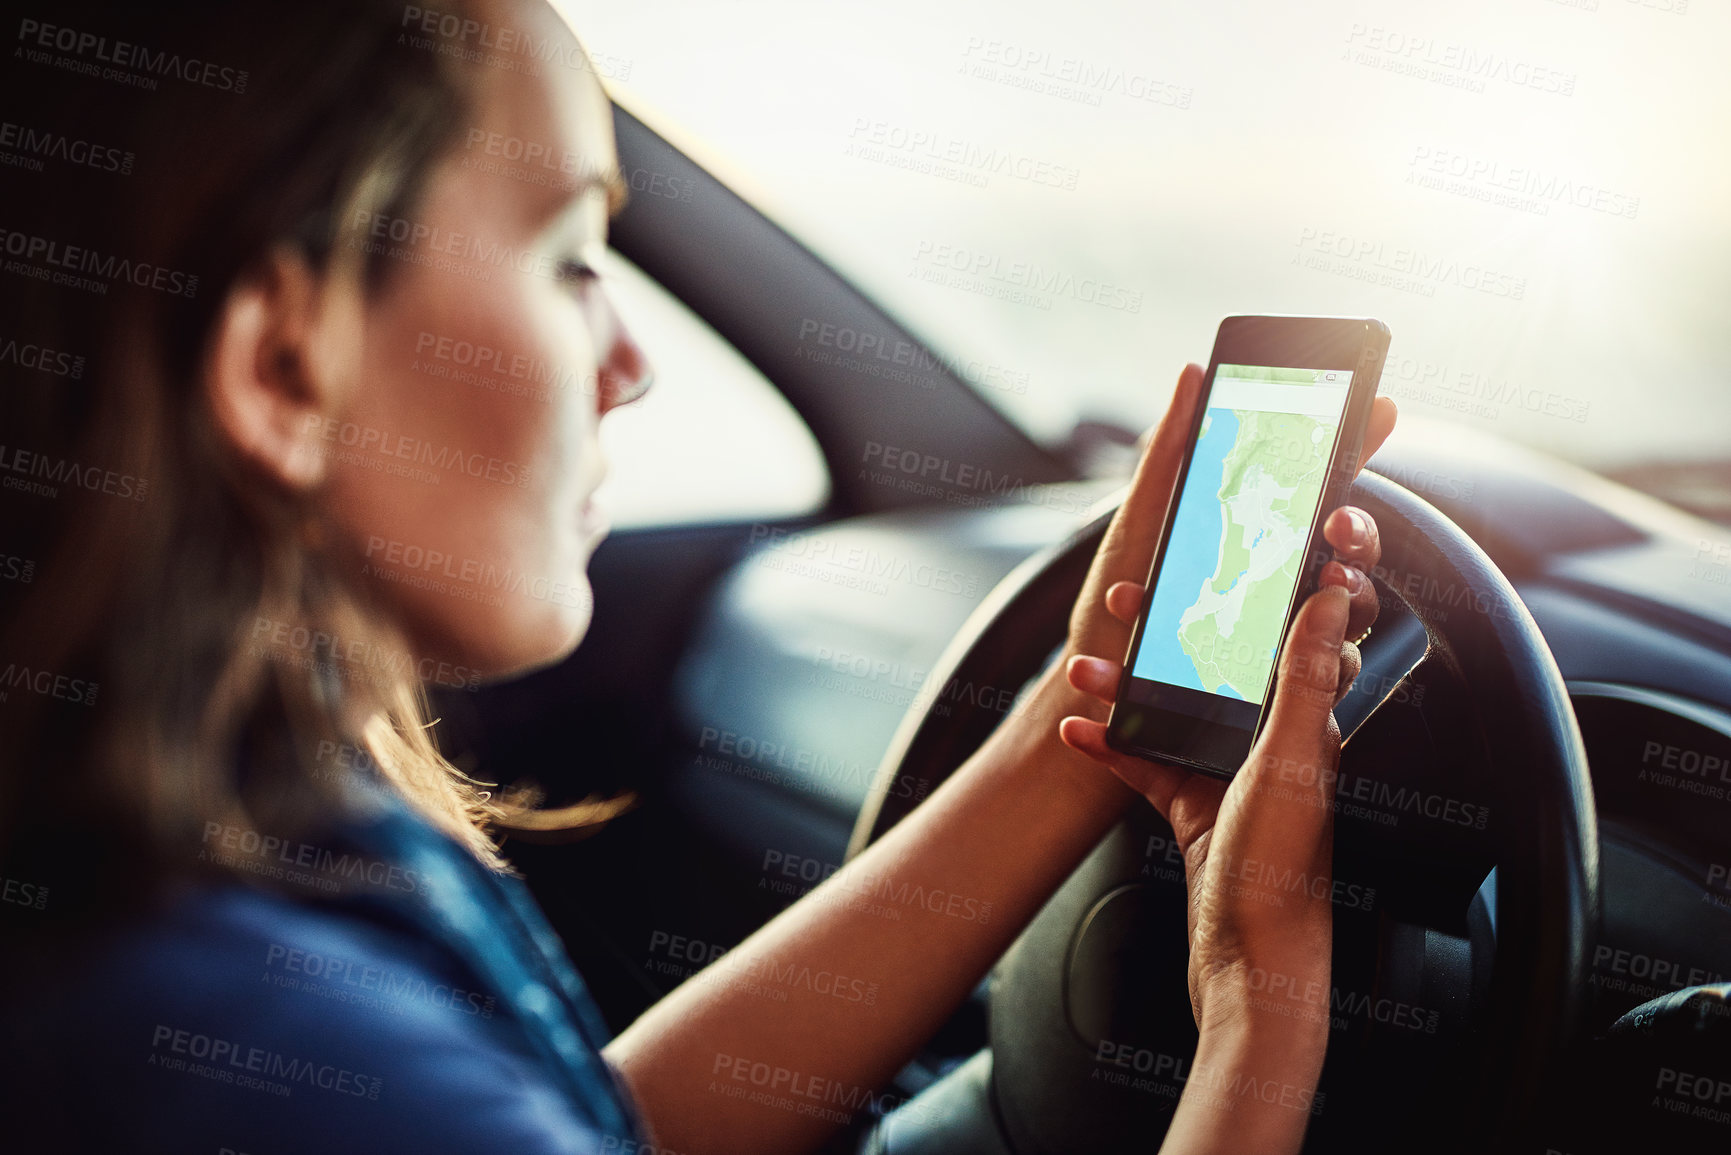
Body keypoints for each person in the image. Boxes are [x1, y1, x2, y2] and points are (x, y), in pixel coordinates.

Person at [0, 1, 1396, 1151]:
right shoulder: (250, 1041)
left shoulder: (197, 849)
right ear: (283, 368)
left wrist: (1070, 721)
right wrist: (1259, 1017)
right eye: (568, 261)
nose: (632, 362)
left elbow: (608, 1130)